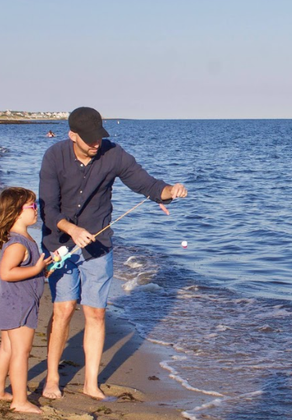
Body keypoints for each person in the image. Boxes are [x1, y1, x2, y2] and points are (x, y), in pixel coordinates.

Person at [39, 106, 187, 400]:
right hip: (60, 244)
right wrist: (71, 229)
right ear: (72, 135)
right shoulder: (54, 156)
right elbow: (48, 208)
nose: (96, 144)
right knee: (64, 310)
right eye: (89, 139)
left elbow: (145, 183)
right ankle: (52, 378)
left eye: (99, 137)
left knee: (95, 313)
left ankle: (91, 383)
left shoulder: (113, 153)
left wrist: (170, 190)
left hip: (98, 245)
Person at [0, 187, 52, 414]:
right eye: (32, 207)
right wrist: (36, 268)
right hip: (19, 305)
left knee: (7, 348)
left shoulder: (22, 237)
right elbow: (6, 272)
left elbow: (23, 270)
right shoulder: (17, 243)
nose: (36, 210)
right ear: (16, 212)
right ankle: (20, 400)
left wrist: (40, 271)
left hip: (11, 302)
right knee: (20, 351)